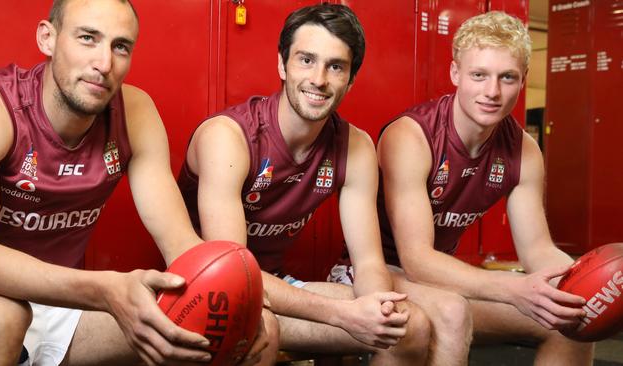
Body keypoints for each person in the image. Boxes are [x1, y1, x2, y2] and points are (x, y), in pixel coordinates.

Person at [0, 0, 270, 365]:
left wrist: (237, 299)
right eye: (87, 38)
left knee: (231, 329)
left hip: (65, 306)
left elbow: (180, 245)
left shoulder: (135, 112)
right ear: (47, 38)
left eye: (120, 46)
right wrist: (103, 289)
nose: (104, 64)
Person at [178, 4, 435, 365]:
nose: (319, 79)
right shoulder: (229, 138)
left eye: (335, 66)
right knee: (261, 330)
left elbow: (369, 263)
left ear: (351, 78)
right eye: (306, 60)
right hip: (208, 293)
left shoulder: (356, 147)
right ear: (282, 65)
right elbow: (235, 276)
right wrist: (344, 315)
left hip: (277, 285)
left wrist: (376, 310)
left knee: (411, 328)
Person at [371, 10, 594, 364]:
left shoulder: (524, 150)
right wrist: (512, 290)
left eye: (507, 77)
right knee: (452, 312)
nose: (492, 92)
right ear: (455, 73)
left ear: (523, 80)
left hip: (439, 280)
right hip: (377, 273)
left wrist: (586, 284)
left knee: (571, 321)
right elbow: (416, 259)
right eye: (479, 75)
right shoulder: (412, 136)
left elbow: (537, 250)